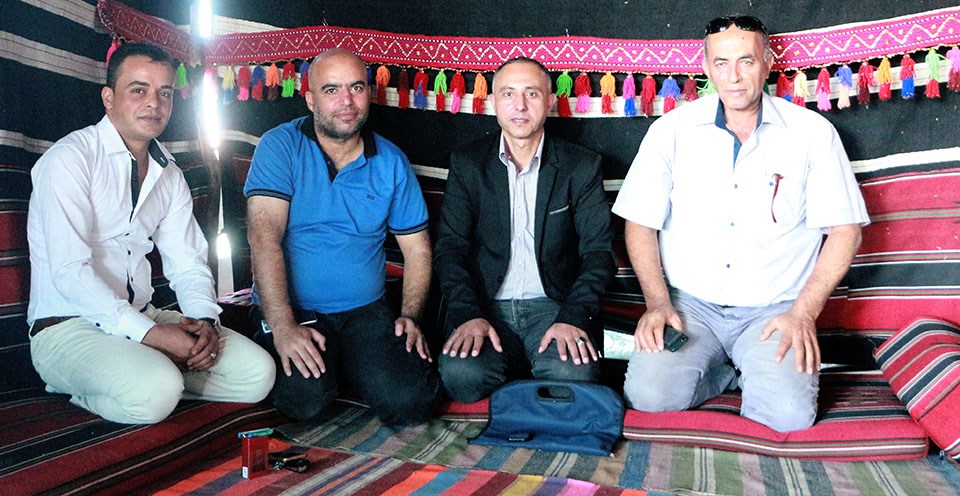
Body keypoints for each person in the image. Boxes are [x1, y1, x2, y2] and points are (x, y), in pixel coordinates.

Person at [612, 16, 869, 432]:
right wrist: (658, 303)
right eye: (721, 63)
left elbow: (845, 232)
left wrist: (803, 314)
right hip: (690, 307)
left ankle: (758, 375)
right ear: (706, 67)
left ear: (768, 63)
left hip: (776, 309)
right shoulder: (671, 131)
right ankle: (729, 377)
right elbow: (640, 223)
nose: (733, 76)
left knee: (787, 416)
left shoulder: (812, 134)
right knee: (649, 399)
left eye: (746, 61)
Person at [27, 42, 275, 425]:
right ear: (109, 98)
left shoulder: (169, 173)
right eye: (138, 90)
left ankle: (154, 377)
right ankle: (103, 386)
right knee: (156, 390)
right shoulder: (69, 161)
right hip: (69, 327)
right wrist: (151, 337)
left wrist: (204, 321)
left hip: (143, 316)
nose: (153, 104)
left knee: (257, 375)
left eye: (165, 93)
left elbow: (188, 262)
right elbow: (70, 273)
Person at [244, 48, 442, 424]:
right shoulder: (280, 146)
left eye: (356, 88)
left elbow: (417, 251)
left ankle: (352, 363)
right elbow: (263, 237)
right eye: (331, 89)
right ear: (310, 99)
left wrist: (410, 316)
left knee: (412, 402)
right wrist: (283, 327)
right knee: (304, 400)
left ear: (369, 94)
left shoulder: (391, 160)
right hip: (295, 311)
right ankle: (312, 357)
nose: (346, 101)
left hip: (365, 312)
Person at [434, 57, 616, 403]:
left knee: (571, 378)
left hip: (554, 305)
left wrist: (573, 316)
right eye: (508, 94)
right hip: (486, 305)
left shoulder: (580, 165)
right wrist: (468, 314)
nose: (519, 105)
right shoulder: (468, 163)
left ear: (549, 102)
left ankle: (526, 379)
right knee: (462, 377)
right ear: (493, 102)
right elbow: (450, 249)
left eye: (531, 93)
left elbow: (599, 253)